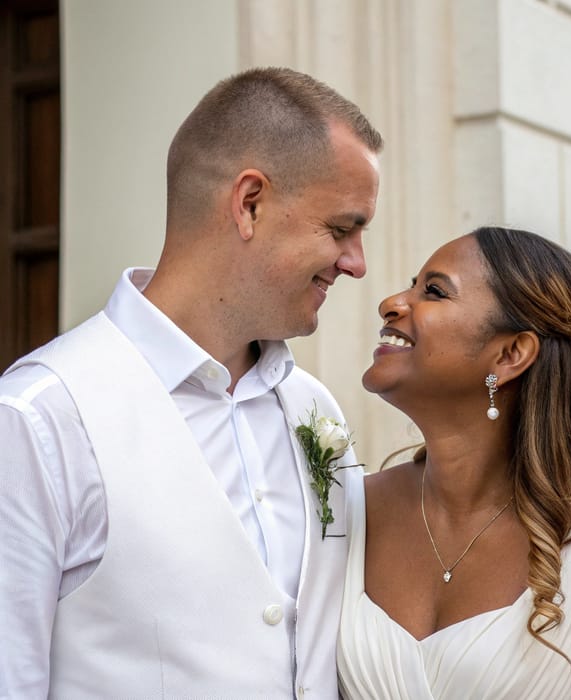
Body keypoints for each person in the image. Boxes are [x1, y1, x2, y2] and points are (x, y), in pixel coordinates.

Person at [0, 67, 382, 699]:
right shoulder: (39, 418)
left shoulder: (316, 412)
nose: (357, 263)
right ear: (249, 202)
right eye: (342, 228)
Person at [337, 226, 571, 699]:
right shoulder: (352, 507)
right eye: (412, 284)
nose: (392, 303)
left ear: (510, 354)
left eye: (434, 292)